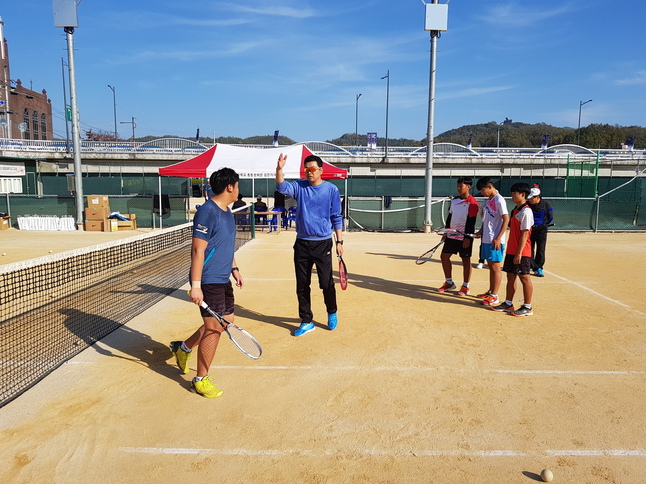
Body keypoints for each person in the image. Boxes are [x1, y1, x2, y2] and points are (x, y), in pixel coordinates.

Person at [169, 167, 244, 398]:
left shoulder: (227, 212)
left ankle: (183, 348)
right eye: (237, 185)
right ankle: (199, 379)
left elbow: (225, 244)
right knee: (214, 328)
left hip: (223, 278)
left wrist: (234, 268)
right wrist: (196, 285)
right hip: (209, 280)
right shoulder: (207, 212)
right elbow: (197, 250)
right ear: (230, 187)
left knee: (223, 323)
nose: (238, 189)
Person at [275, 153, 344, 336]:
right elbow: (281, 186)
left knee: (326, 283)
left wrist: (339, 241)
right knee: (302, 285)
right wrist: (279, 168)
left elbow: (336, 217)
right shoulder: (299, 186)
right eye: (306, 169)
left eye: (312, 169)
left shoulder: (331, 190)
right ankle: (306, 320)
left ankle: (332, 312)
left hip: (323, 244)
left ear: (321, 170)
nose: (309, 172)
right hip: (302, 244)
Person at [491, 182, 534, 317]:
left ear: (523, 194)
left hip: (522, 252)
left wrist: (519, 253)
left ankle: (527, 306)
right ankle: (508, 303)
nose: (512, 196)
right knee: (510, 276)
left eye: (514, 193)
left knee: (524, 277)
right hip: (511, 250)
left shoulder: (526, 211)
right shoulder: (516, 210)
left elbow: (525, 234)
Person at [437, 177, 479, 296]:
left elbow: (471, 222)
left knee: (466, 261)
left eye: (462, 186)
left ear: (468, 187)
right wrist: (446, 232)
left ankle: (466, 286)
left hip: (464, 236)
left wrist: (467, 238)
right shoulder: (454, 201)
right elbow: (450, 217)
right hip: (451, 235)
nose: (459, 188)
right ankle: (449, 282)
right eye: (458, 186)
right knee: (444, 256)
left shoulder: (473, 202)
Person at [475, 177, 510, 306]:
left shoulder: (499, 200)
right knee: (490, 266)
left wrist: (498, 238)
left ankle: (494, 296)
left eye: (483, 190)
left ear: (490, 187)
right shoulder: (489, 201)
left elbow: (506, 219)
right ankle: (490, 291)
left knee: (495, 267)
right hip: (487, 239)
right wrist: (481, 231)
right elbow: (487, 220)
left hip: (495, 240)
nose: (482, 193)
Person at [528, 186, 553, 277]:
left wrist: (544, 225)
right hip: (530, 230)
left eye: (532, 198)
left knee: (541, 249)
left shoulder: (546, 204)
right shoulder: (527, 204)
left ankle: (539, 267)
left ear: (537, 197)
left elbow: (551, 217)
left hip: (541, 230)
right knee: (529, 248)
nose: (530, 200)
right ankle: (530, 265)